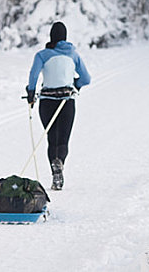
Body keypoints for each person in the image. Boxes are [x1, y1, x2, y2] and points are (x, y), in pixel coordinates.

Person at [26, 22, 91, 190]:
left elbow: (33, 76)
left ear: (51, 37)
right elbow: (86, 79)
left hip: (47, 101)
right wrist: (75, 84)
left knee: (51, 139)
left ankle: (54, 169)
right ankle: (59, 164)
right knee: (63, 140)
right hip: (66, 101)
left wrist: (31, 93)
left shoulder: (42, 55)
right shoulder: (73, 55)